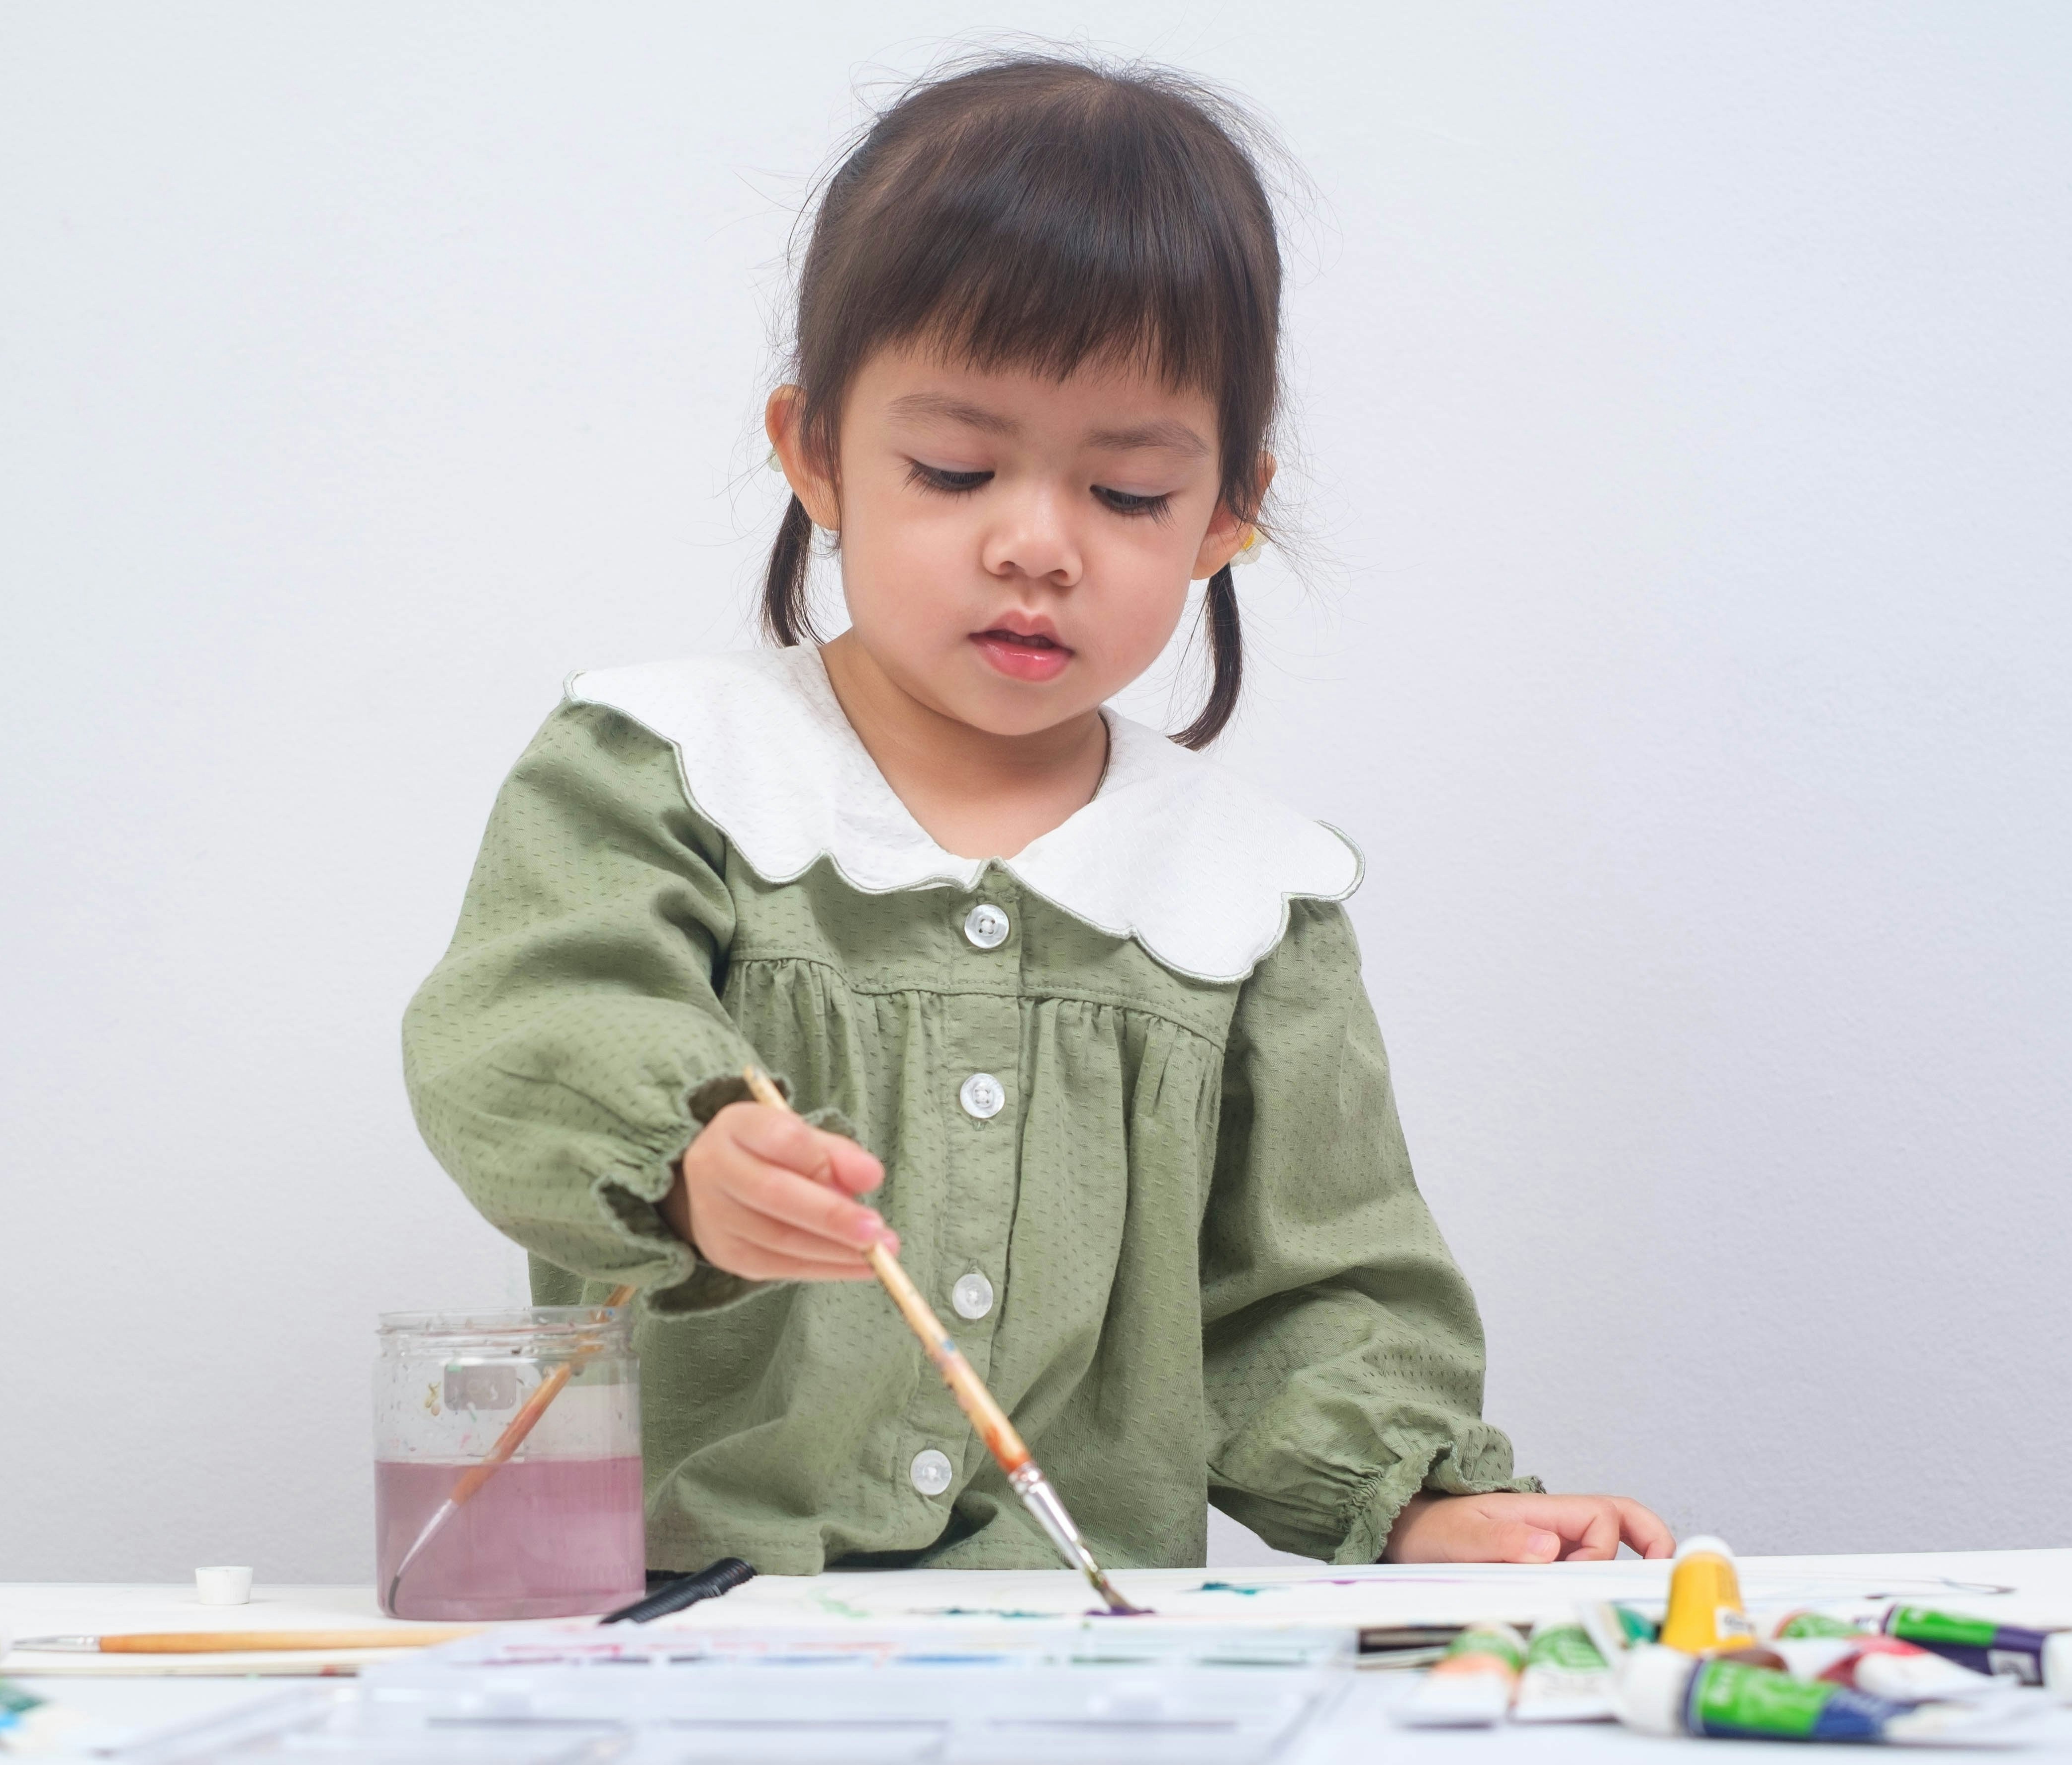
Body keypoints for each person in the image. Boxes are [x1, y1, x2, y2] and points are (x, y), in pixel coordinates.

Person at [403, 53, 1671, 1575]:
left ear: (1225, 512)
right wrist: (687, 1157)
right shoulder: (667, 769)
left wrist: (1422, 1504)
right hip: (697, 1637)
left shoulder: (1243, 897)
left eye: (1129, 494)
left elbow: (1314, 1294)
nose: (1035, 546)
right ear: (814, 452)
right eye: (954, 468)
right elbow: (524, 1025)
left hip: (1081, 1660)